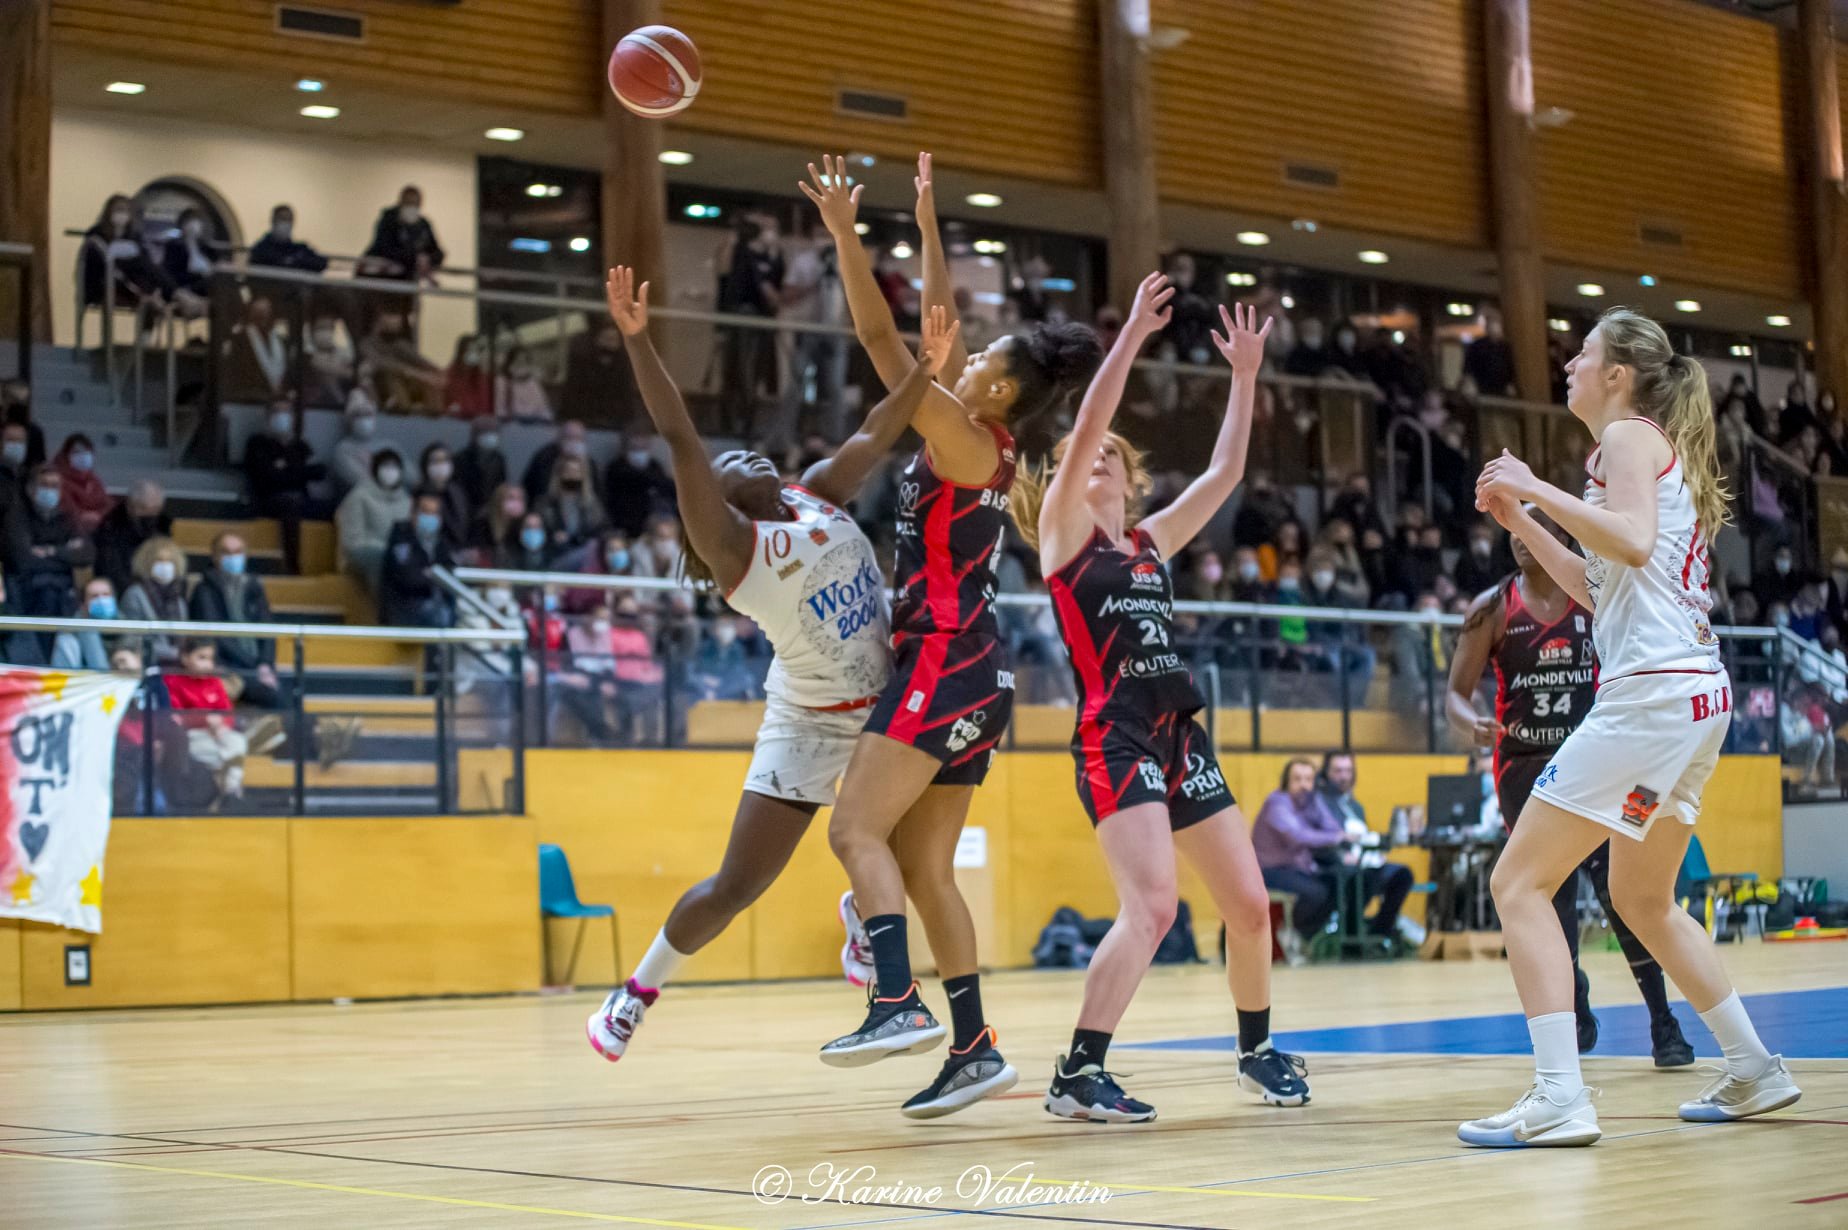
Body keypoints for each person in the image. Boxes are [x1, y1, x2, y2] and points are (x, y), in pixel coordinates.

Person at [586, 266, 949, 1068]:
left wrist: (925, 368)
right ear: (714, 503)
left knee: (914, 859)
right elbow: (681, 437)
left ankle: (864, 931)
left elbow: (873, 437)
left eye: (746, 452)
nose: (740, 455)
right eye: (727, 464)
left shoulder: (813, 493)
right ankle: (635, 993)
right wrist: (640, 340)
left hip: (879, 709)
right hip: (806, 724)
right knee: (736, 887)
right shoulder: (735, 551)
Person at [803, 154, 1101, 1115]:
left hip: (946, 655)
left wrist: (848, 235)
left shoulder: (969, 440)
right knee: (924, 867)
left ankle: (895, 1000)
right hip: (975, 673)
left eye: (981, 366)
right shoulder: (975, 434)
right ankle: (972, 1046)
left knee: (855, 828)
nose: (965, 361)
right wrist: (927, 226)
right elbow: (936, 338)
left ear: (1003, 395)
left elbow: (890, 348)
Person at [1463, 307, 1799, 1147]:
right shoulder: (1637, 451)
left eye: (1581, 355)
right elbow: (1604, 589)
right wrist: (1524, 525)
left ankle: (1558, 1094)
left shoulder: (1627, 438)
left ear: (1617, 373)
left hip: (1649, 700)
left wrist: (1534, 484)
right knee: (1641, 897)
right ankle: (1753, 1066)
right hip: (1693, 699)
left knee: (1518, 884)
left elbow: (1639, 545)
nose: (1569, 365)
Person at [1011, 279, 1308, 1119]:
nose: (1096, 450)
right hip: (1117, 734)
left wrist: (1244, 377)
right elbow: (1089, 425)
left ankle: (1256, 1054)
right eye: (1085, 446)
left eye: (1109, 449)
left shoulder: (1149, 542)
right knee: (1151, 905)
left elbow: (1226, 472)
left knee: (1251, 908)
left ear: (1129, 475)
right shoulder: (1063, 533)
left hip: (1181, 734)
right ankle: (1078, 1068)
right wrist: (1132, 336)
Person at [1446, 507, 1697, 1067]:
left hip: (1601, 760)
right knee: (1549, 897)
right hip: (1523, 768)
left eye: (1535, 527)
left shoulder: (1596, 592)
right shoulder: (1490, 608)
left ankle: (1664, 1022)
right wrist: (1470, 724)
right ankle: (1575, 1004)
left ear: (1561, 534)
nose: (1521, 539)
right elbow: (1455, 695)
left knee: (1621, 891)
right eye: (1511, 528)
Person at [1315, 752, 1416, 938]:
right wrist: (1340, 856)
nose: (1343, 776)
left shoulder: (1355, 806)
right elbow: (1315, 840)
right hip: (1337, 866)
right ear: (1326, 773)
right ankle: (1352, 936)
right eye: (1338, 771)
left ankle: (1379, 932)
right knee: (1363, 879)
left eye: (1348, 771)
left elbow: (1362, 838)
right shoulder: (1318, 804)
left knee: (1402, 875)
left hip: (1365, 863)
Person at [1252, 759, 1355, 939]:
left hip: (1298, 869)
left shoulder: (1312, 801)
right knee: (1315, 892)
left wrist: (1337, 835)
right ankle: (1290, 932)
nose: (1304, 785)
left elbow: (1332, 827)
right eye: (1297, 779)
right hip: (1269, 869)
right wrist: (1336, 837)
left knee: (1337, 886)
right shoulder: (1277, 802)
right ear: (1286, 782)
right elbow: (1297, 835)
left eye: (1308, 779)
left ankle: (1304, 935)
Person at [188, 531, 283, 708]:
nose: (233, 557)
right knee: (272, 698)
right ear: (215, 556)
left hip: (257, 667)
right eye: (226, 552)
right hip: (226, 665)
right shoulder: (204, 590)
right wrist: (254, 667)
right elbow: (215, 633)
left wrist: (265, 663)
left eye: (238, 551)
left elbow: (268, 628)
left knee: (292, 691)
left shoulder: (253, 587)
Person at [243, 403, 325, 574]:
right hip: (267, 502)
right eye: (277, 412)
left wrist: (286, 469)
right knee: (290, 503)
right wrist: (299, 472)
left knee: (339, 507)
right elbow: (266, 477)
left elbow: (320, 471)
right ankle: (292, 566)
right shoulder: (257, 443)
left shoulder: (300, 445)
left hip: (302, 501)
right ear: (268, 417)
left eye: (286, 412)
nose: (282, 416)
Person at [5, 466, 93, 622]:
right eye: (44, 485)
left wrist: (51, 551)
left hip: (64, 592)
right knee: (47, 595)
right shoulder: (17, 517)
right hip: (25, 590)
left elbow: (87, 554)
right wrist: (66, 554)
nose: (50, 490)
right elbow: (24, 561)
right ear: (31, 489)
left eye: (54, 486)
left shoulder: (67, 517)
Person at [80, 194, 173, 314]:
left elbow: (147, 264)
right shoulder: (96, 235)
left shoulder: (134, 236)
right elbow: (96, 265)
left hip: (130, 281)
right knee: (138, 262)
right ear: (109, 212)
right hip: (104, 282)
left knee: (148, 265)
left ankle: (169, 294)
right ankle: (160, 295)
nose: (122, 214)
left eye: (126, 211)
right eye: (119, 210)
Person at [337, 449, 411, 595]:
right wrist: (386, 551)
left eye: (394, 467)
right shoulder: (358, 497)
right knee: (380, 559)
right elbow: (351, 542)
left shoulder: (406, 501)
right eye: (386, 466)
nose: (390, 471)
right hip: (361, 555)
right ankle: (383, 612)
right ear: (376, 469)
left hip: (395, 555)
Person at [379, 490, 458, 627]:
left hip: (438, 608)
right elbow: (409, 578)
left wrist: (429, 574)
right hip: (405, 611)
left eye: (434, 513)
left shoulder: (441, 543)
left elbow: (451, 573)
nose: (430, 517)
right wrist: (436, 577)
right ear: (413, 513)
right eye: (425, 511)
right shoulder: (400, 537)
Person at [120, 536, 190, 665]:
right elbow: (132, 639)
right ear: (147, 563)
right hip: (148, 663)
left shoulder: (178, 599)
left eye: (170, 561)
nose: (165, 565)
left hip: (178, 665)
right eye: (159, 560)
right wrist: (172, 653)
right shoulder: (135, 594)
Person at [93, 479, 169, 598]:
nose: (150, 515)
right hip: (125, 592)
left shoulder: (162, 527)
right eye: (144, 508)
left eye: (156, 509)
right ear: (130, 506)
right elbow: (111, 570)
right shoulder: (111, 528)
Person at [562, 314, 640, 429]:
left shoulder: (623, 367)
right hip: (585, 421)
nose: (609, 344)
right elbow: (575, 395)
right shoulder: (583, 365)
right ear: (596, 340)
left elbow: (626, 398)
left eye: (613, 340)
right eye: (606, 339)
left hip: (617, 423)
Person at [360, 186, 444, 284]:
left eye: (415, 204)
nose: (412, 208)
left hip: (407, 280)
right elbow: (385, 248)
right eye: (408, 203)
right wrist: (415, 258)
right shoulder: (388, 221)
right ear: (400, 203)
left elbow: (438, 252)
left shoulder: (423, 225)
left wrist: (428, 259)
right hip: (381, 278)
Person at [604, 431, 676, 538]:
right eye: (635, 449)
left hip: (653, 529)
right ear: (625, 449)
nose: (639, 453)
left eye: (643, 448)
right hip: (624, 528)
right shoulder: (616, 469)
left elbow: (666, 489)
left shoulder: (655, 467)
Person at [536, 453, 605, 562]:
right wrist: (552, 536)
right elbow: (537, 529)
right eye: (568, 471)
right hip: (553, 553)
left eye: (576, 471)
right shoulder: (546, 503)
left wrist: (577, 538)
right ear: (559, 474)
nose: (572, 475)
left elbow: (598, 530)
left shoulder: (592, 504)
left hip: (583, 554)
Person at [51, 577, 121, 671]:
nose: (101, 600)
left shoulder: (128, 624)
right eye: (94, 596)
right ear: (83, 604)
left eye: (106, 594)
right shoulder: (70, 632)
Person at [52, 433, 110, 534]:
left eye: (87, 452)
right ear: (66, 455)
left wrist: (99, 516)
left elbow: (106, 504)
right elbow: (66, 508)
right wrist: (83, 516)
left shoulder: (94, 480)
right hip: (69, 531)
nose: (83, 456)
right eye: (76, 452)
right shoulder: (57, 479)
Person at [523, 420, 592, 504]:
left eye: (578, 438)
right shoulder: (544, 458)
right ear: (560, 438)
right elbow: (530, 488)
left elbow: (596, 493)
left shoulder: (590, 463)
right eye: (569, 437)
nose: (573, 442)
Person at [248, 204, 329, 274]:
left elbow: (320, 263)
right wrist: (289, 262)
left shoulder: (298, 249)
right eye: (282, 219)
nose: (286, 223)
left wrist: (293, 261)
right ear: (273, 221)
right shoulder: (262, 248)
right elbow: (259, 263)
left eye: (289, 220)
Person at [418, 442, 470, 548]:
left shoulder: (457, 492)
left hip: (459, 551)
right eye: (435, 461)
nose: (440, 466)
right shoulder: (419, 493)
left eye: (445, 460)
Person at [455, 416, 508, 514]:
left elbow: (502, 486)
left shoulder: (499, 459)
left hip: (492, 512)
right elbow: (458, 488)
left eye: (494, 433)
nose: (491, 437)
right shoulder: (461, 458)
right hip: (466, 510)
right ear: (475, 436)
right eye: (486, 433)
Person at [330, 400, 379, 498]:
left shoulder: (385, 446)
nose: (364, 420)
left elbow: (412, 478)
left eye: (368, 414)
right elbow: (362, 482)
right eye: (359, 415)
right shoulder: (343, 450)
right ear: (350, 421)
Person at [496, 346, 553, 423]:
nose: (521, 365)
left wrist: (545, 419)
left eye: (524, 361)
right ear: (510, 363)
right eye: (518, 361)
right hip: (510, 423)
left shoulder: (533, 383)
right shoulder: (501, 382)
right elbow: (499, 410)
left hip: (534, 424)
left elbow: (544, 409)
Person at [443, 334, 494, 419]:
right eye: (469, 350)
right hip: (458, 419)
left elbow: (485, 400)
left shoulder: (481, 374)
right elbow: (451, 397)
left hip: (478, 419)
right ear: (461, 352)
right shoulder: (452, 373)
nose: (473, 354)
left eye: (475, 351)